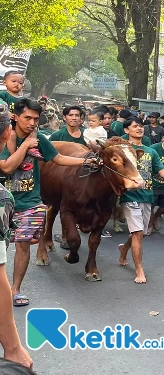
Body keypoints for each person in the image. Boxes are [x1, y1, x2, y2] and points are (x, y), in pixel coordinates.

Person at [0, 99, 93, 306]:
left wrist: (86, 160)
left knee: (23, 246)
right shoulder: (4, 136)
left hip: (30, 202)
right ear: (15, 117)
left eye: (35, 119)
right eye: (28, 118)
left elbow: (58, 158)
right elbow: (6, 168)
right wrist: (25, 145)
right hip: (3, 202)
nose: (32, 123)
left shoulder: (39, 139)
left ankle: (15, 290)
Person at [117, 117, 164, 283]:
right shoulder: (120, 150)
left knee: (139, 232)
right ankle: (139, 270)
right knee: (137, 233)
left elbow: (162, 172)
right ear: (127, 130)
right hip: (129, 196)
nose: (139, 128)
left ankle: (124, 249)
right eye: (135, 126)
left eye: (140, 126)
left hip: (147, 196)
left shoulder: (151, 152)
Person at [0, 111, 33, 370]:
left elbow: (57, 157)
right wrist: (13, 347)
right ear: (7, 132)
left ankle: (18, 287)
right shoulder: (2, 198)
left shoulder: (39, 141)